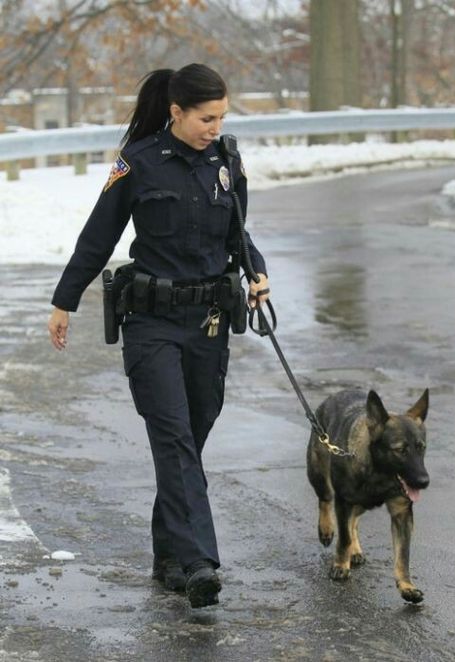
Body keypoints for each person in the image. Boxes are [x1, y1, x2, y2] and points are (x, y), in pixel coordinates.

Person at [48, 63, 270, 609]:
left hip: (209, 324)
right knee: (172, 437)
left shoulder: (227, 162)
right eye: (205, 117)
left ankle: (168, 554)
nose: (215, 127)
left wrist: (256, 271)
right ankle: (199, 561)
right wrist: (64, 300)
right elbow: (98, 235)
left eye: (221, 117)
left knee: (189, 439)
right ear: (176, 112)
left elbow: (238, 232)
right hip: (151, 324)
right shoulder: (139, 163)